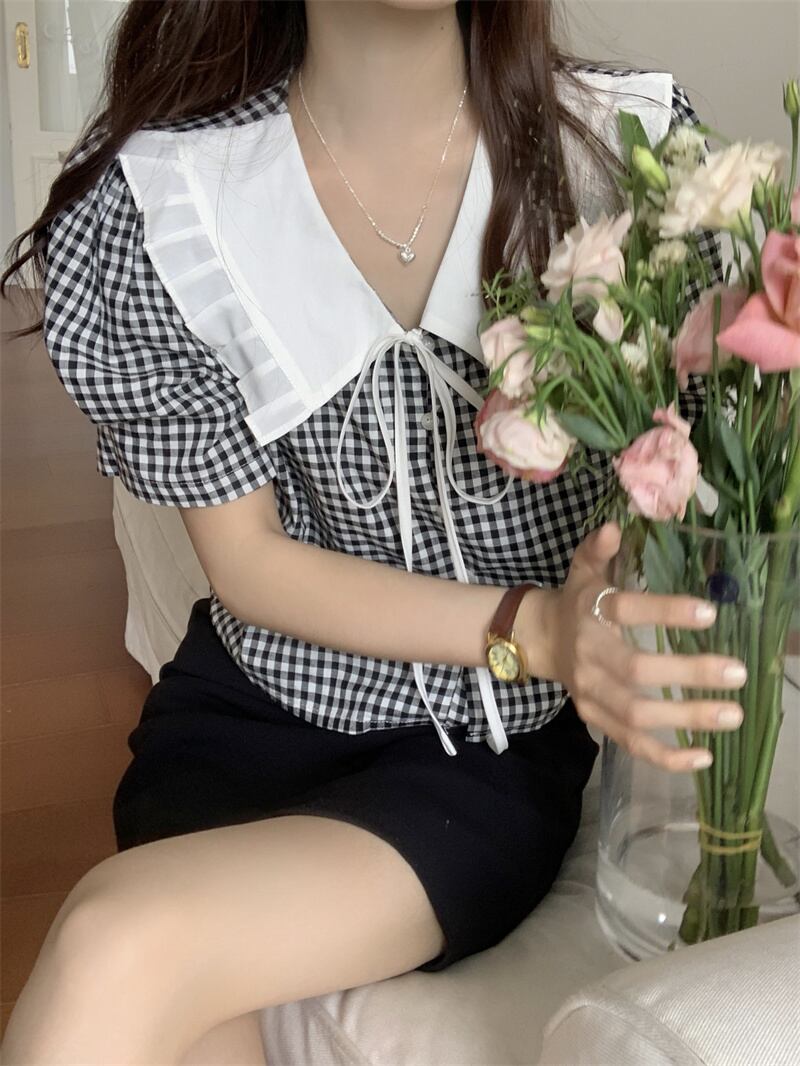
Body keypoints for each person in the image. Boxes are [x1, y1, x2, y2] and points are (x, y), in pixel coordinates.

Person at [0, 1, 745, 1063]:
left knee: (112, 943)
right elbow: (248, 561)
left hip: (471, 755)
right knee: (188, 1017)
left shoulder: (629, 156)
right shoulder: (174, 199)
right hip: (242, 717)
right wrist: (532, 626)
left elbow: (710, 484)